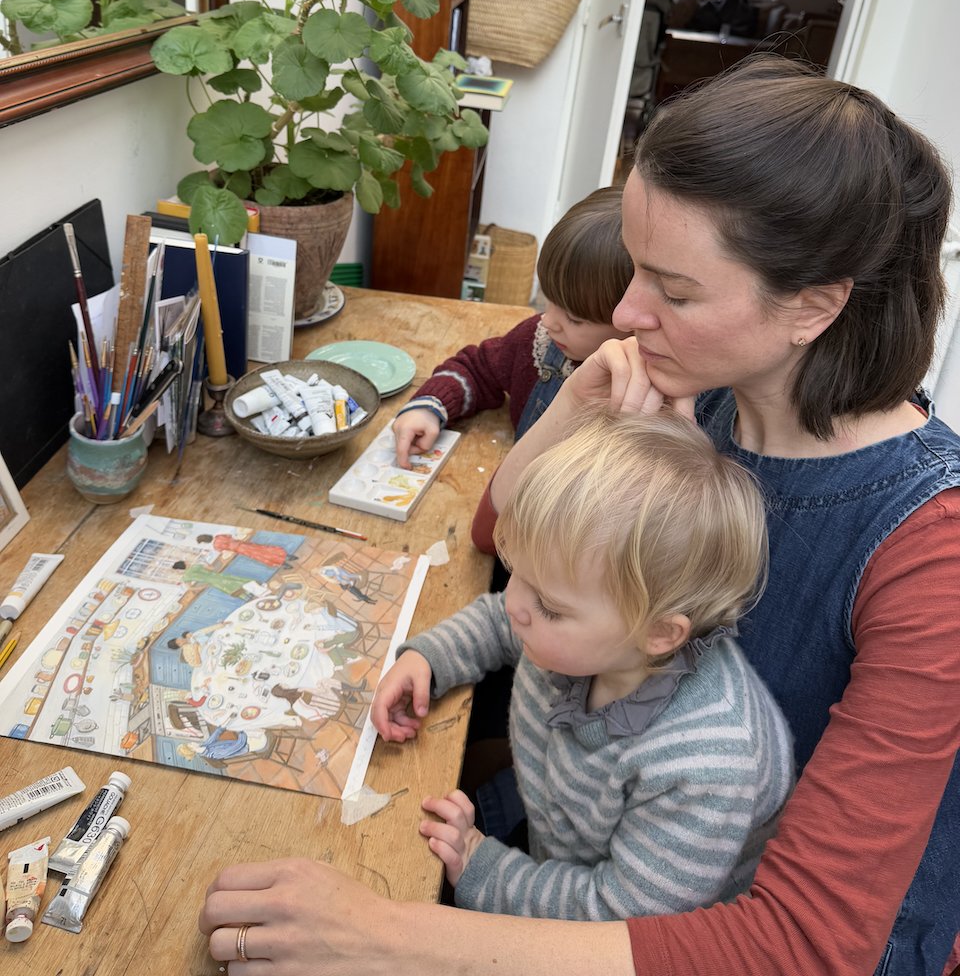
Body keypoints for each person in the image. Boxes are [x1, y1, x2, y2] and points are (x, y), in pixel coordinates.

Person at [199, 57, 960, 976]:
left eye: (675, 292)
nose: (628, 312)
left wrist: (379, 933)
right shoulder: (702, 401)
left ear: (813, 306)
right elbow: (505, 538)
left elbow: (800, 945)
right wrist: (577, 404)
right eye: (638, 269)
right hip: (590, 840)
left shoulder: (930, 553)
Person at [372, 410, 793, 920]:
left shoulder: (706, 762)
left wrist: (484, 867)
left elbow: (622, 913)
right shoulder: (581, 629)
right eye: (515, 573)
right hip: (552, 829)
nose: (515, 605)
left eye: (548, 604)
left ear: (659, 633)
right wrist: (429, 657)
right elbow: (503, 623)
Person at [392, 185, 632, 469]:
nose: (548, 321)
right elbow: (477, 369)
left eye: (575, 319)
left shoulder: (637, 402)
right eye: (549, 301)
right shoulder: (537, 341)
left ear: (632, 327)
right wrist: (430, 407)